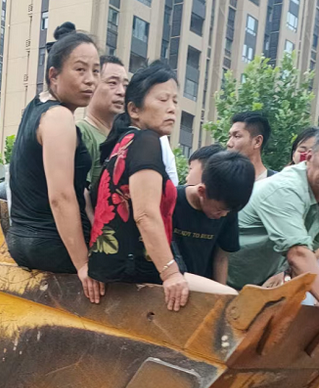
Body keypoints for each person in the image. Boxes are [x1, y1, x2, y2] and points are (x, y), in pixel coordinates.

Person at [89, 61, 236, 312]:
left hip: (113, 265)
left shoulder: (121, 144)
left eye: (175, 101)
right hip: (138, 269)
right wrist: (170, 274)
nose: (172, 109)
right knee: (230, 298)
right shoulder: (146, 142)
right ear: (134, 109)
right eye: (162, 100)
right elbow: (145, 215)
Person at [6, 23, 104, 304]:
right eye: (80, 69)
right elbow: (61, 197)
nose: (90, 80)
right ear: (54, 75)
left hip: (24, 239)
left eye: (96, 71)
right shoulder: (59, 118)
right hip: (51, 243)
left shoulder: (36, 107)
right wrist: (84, 266)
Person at [228, 128, 319, 302]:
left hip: (259, 287)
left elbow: (311, 251)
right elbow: (299, 254)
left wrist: (283, 273)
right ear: (308, 157)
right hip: (223, 283)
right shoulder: (285, 188)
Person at [173, 150, 254, 283]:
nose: (223, 215)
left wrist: (220, 296)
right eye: (219, 210)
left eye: (228, 211)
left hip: (203, 286)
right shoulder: (173, 201)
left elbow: (221, 258)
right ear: (201, 191)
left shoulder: (228, 210)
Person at [77, 55, 127, 188]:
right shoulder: (82, 133)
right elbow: (80, 191)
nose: (121, 92)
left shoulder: (124, 137)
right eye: (112, 83)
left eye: (125, 85)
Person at [227, 111, 277, 181]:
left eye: (237, 136)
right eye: (229, 136)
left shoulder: (277, 184)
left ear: (257, 141)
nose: (229, 143)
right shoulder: (221, 182)